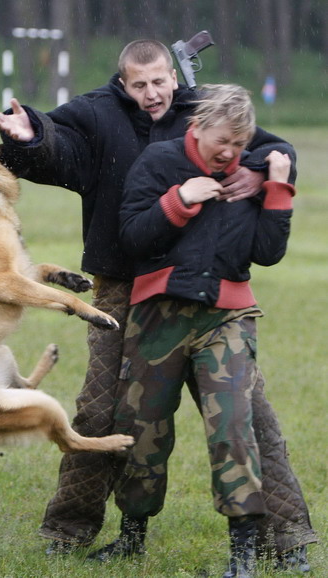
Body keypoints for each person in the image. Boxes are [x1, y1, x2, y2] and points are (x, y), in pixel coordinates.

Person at [0, 40, 316, 570]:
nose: (151, 93)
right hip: (124, 286)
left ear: (174, 79)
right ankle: (71, 529)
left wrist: (260, 173)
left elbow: (275, 150)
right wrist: (32, 136)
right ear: (123, 83)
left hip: (210, 296)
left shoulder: (203, 109)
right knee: (102, 412)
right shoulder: (98, 114)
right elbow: (58, 148)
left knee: (250, 418)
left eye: (160, 82)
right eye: (139, 84)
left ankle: (290, 540)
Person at [87, 84, 301, 576]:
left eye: (239, 144)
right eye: (221, 141)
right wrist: (179, 200)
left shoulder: (248, 174)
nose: (229, 153)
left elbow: (268, 252)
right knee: (140, 428)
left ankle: (243, 556)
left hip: (227, 318)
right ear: (197, 127)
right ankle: (132, 537)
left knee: (233, 428)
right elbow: (133, 237)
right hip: (157, 315)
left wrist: (276, 186)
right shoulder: (159, 163)